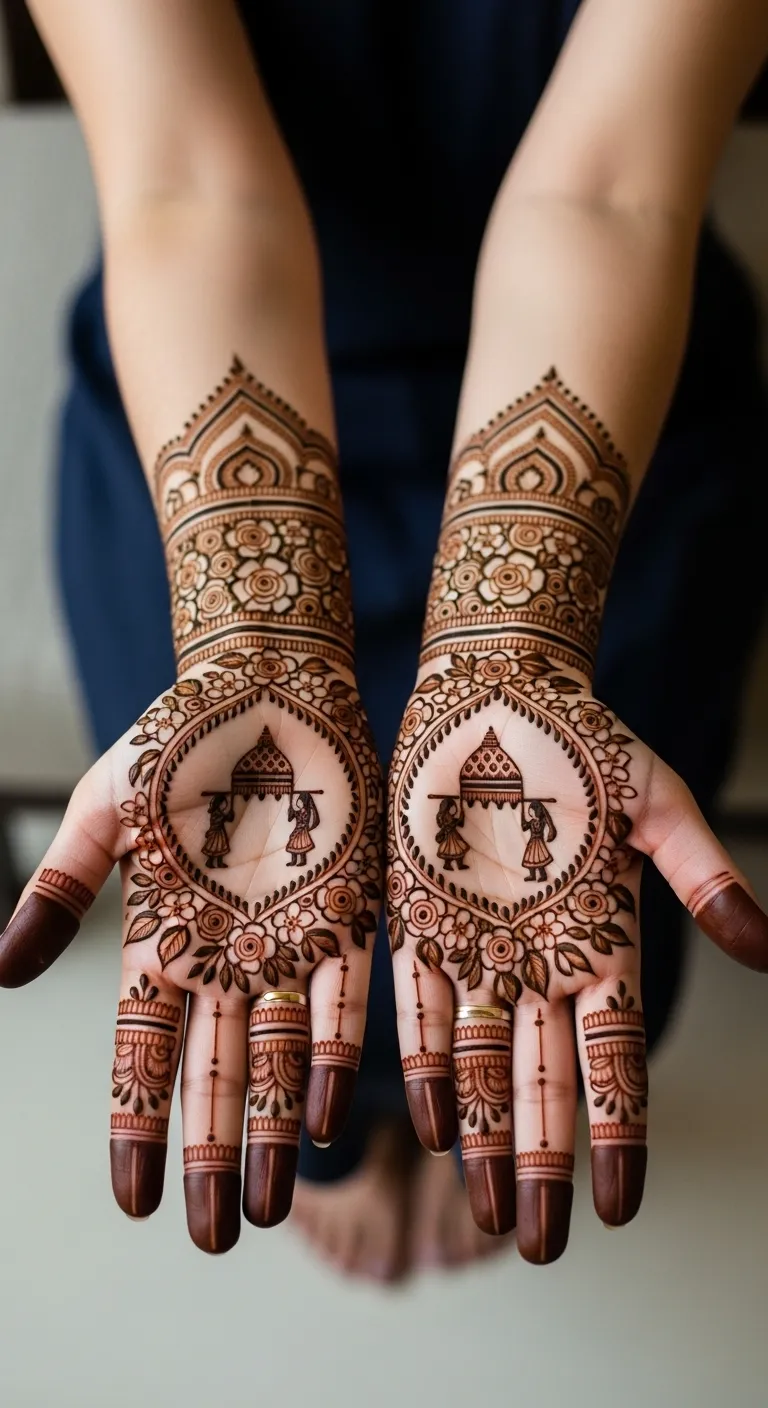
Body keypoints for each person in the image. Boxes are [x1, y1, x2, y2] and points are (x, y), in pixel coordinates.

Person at [1, 0, 767, 1277]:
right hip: (211, 363)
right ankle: (346, 1145)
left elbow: (614, 188)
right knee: (252, 938)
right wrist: (258, 638)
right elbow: (188, 179)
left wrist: (508, 642)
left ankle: (381, 1139)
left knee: (566, 932)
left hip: (609, 369)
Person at [521, 801, 557, 882]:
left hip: (539, 842)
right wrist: (522, 817)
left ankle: (543, 875)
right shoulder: (531, 822)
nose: (530, 813)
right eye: (529, 811)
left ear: (537, 811)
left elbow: (548, 822)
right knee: (530, 858)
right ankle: (532, 875)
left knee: (539, 859)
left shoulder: (542, 821)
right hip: (532, 842)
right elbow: (524, 828)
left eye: (531, 811)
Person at [435, 797, 470, 872]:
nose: (453, 808)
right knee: (452, 849)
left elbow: (461, 824)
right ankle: (448, 864)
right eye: (451, 806)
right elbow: (451, 825)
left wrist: (462, 817)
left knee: (458, 849)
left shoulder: (448, 815)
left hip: (453, 834)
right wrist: (459, 820)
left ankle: (459, 864)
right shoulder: (444, 815)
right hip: (449, 835)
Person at [286, 791, 320, 867]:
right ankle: (293, 861)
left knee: (301, 845)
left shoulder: (306, 813)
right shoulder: (298, 812)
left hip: (302, 831)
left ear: (304, 803)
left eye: (300, 802)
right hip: (298, 829)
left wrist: (296, 831)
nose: (298, 803)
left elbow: (304, 823)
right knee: (293, 845)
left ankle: (303, 861)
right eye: (298, 801)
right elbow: (290, 819)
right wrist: (290, 808)